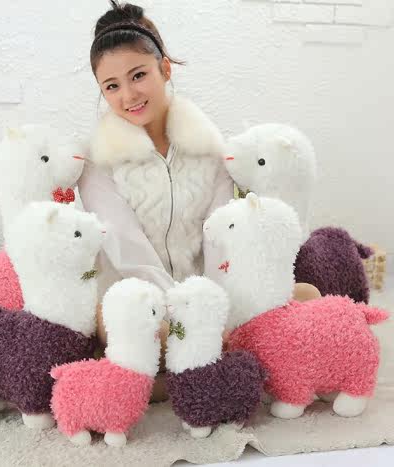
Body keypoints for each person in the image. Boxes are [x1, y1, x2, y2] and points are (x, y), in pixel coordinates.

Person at [78, 1, 320, 402]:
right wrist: (185, 312)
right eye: (112, 86)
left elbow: (221, 238)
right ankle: (229, 364)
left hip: (210, 293)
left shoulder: (211, 149)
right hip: (142, 301)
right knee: (123, 323)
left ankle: (178, 374)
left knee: (308, 295)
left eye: (138, 75)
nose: (128, 95)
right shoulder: (97, 161)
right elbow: (126, 249)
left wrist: (212, 307)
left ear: (164, 69)